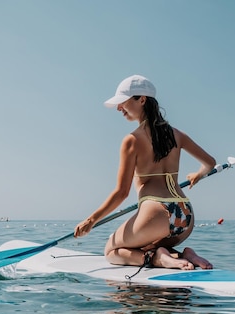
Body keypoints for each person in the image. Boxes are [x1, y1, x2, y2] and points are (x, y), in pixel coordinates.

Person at [74, 75, 216, 271]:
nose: (119, 108)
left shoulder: (132, 140)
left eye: (122, 102)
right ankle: (184, 255)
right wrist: (198, 174)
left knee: (110, 251)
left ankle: (158, 259)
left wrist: (90, 220)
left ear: (142, 100)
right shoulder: (177, 135)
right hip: (186, 216)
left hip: (156, 214)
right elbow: (210, 163)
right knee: (151, 241)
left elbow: (121, 193)